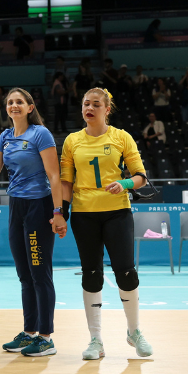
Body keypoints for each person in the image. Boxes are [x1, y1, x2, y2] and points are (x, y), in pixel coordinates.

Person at [0, 88, 66, 358]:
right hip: (16, 206)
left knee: (40, 273)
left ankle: (46, 337)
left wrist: (58, 211)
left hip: (39, 206)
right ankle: (30, 332)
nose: (14, 106)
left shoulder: (41, 134)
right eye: (10, 102)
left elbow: (54, 174)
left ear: (29, 107)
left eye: (19, 102)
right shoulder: (5, 136)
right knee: (24, 274)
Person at [61, 88, 153, 360]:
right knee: (91, 274)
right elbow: (66, 181)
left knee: (126, 272)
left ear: (107, 109)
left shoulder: (121, 137)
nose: (89, 108)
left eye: (96, 104)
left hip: (117, 212)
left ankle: (134, 332)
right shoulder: (71, 141)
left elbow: (141, 177)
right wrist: (60, 213)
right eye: (85, 104)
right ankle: (96, 340)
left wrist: (123, 183)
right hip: (84, 214)